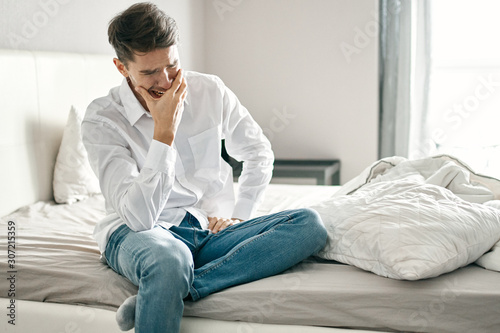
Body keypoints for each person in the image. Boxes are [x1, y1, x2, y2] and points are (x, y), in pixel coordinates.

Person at [81, 2, 327, 333]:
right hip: (139, 232)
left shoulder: (209, 90)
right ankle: (172, 278)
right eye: (149, 72)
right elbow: (138, 217)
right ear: (122, 67)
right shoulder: (103, 119)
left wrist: (239, 216)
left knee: (308, 225)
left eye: (171, 65)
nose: (165, 81)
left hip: (203, 229)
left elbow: (258, 152)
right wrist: (163, 133)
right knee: (170, 261)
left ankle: (182, 288)